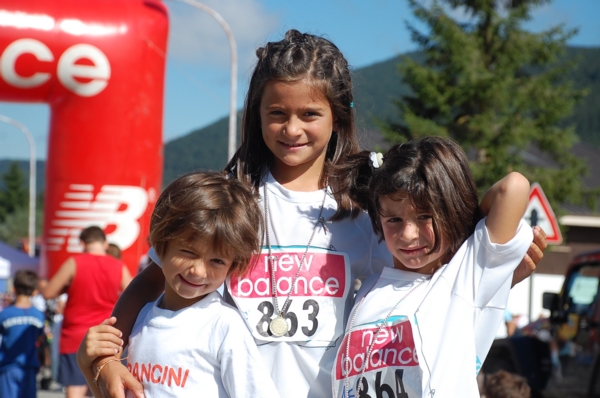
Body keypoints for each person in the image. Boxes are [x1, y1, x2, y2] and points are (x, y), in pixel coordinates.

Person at [79, 30, 547, 398]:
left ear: (339, 115)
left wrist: (487, 249)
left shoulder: (370, 202)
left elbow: (431, 279)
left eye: (310, 114)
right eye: (276, 113)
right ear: (255, 115)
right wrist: (106, 358)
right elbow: (151, 279)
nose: (292, 128)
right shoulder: (233, 200)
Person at [330, 137, 534, 397]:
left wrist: (463, 229)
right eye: (394, 219)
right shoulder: (371, 286)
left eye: (425, 216)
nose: (408, 234)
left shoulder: (465, 275)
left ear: (451, 211)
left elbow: (513, 187)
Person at [79, 172, 280, 397]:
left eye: (217, 261)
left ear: (233, 265)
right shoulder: (140, 319)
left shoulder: (224, 326)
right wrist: (89, 365)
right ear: (160, 246)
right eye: (187, 252)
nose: (198, 271)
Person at [43, 226, 132, 398]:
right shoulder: (118, 265)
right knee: (104, 388)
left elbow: (48, 293)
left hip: (75, 337)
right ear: (105, 243)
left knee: (75, 390)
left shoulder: (74, 263)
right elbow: (133, 293)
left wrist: (69, 286)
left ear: (82, 243)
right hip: (106, 337)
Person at [0, 270, 46, 398]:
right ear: (34, 291)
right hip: (29, 366)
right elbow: (40, 337)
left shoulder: (5, 314)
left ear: (13, 289)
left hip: (8, 366)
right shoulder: (38, 315)